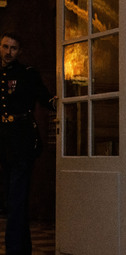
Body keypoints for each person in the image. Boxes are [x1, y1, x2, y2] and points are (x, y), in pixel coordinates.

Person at [0, 31, 56, 255]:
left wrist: (64, 104)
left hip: (23, 141)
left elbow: (45, 98)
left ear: (19, 51)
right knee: (13, 200)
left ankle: (13, 249)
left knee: (16, 199)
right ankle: (23, 249)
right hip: (3, 141)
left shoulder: (27, 74)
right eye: (4, 47)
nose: (8, 52)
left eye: (13, 48)